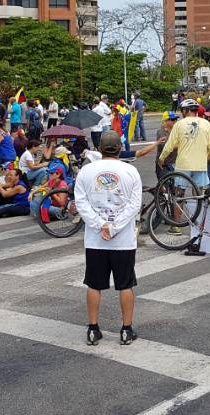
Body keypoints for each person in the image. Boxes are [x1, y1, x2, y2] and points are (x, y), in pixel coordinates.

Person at [76, 130, 142, 346]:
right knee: (125, 284)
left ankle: (93, 329)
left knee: (94, 284)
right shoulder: (130, 171)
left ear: (99, 149)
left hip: (95, 239)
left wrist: (100, 224)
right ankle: (126, 329)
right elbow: (134, 204)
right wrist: (114, 227)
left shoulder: (86, 171)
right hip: (122, 240)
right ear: (120, 149)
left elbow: (81, 203)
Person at [158, 98, 210, 196]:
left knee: (179, 195)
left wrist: (161, 158)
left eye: (182, 111)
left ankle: (180, 211)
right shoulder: (206, 123)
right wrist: (208, 158)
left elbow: (169, 145)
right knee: (198, 195)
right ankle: (197, 210)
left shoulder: (179, 124)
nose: (182, 113)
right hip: (200, 164)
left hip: (183, 165)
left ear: (186, 110)